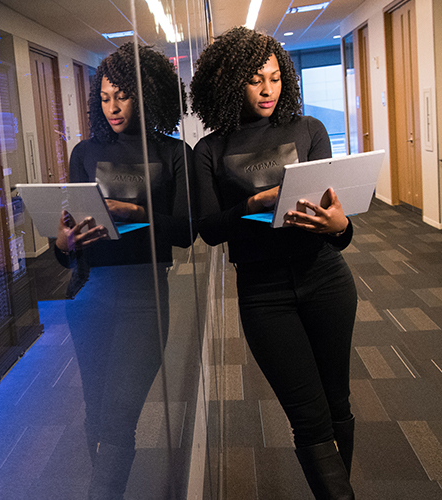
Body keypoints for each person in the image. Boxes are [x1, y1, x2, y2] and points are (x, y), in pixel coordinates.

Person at [190, 27, 357, 499]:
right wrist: (253, 205)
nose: (268, 90)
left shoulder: (309, 130)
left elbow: (338, 230)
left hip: (325, 279)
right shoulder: (211, 150)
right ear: (228, 83)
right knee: (308, 416)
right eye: (255, 80)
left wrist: (339, 225)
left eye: (275, 77)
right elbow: (208, 227)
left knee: (336, 401)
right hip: (264, 295)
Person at [53, 42, 193, 499]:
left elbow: (187, 232)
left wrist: (131, 211)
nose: (113, 107)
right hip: (90, 293)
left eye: (124, 95)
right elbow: (67, 244)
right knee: (96, 411)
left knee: (119, 414)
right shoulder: (84, 152)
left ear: (146, 94)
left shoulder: (174, 153)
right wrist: (63, 243)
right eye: (106, 96)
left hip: (144, 296)